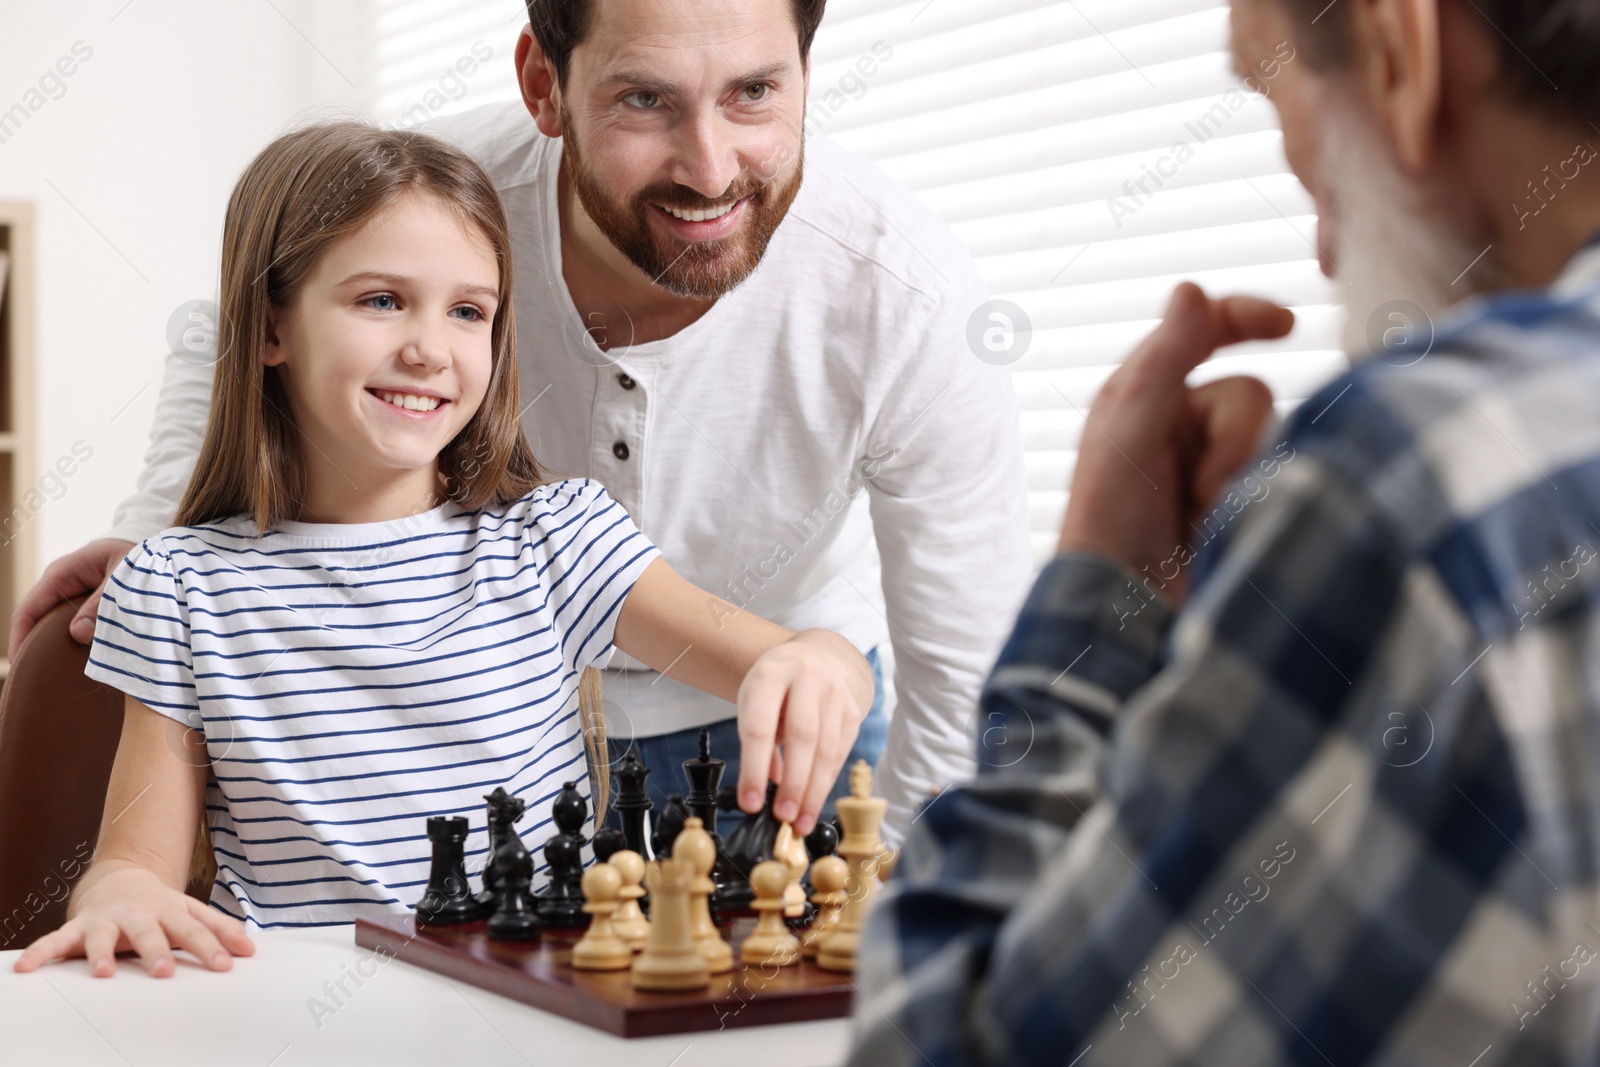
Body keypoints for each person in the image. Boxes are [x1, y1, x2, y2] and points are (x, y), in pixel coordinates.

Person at [8, 0, 1031, 846]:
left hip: (780, 730)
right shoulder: (435, 207)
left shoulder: (905, 289)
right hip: (498, 728)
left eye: (754, 93)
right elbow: (230, 322)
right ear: (544, 85)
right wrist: (163, 539)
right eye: (644, 99)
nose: (712, 169)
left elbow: (965, 672)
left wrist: (916, 909)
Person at [850, 0, 1600, 1063]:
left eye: (1270, 89)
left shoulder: (1408, 483)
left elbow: (926, 1050)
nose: (1324, 244)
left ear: (1398, 52)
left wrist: (1101, 598)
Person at [10, 122, 873, 978]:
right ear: (270, 328)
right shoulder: (177, 586)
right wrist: (121, 898)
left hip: (525, 1019)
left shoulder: (557, 538)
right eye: (381, 300)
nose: (428, 349)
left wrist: (828, 660)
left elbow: (787, 661)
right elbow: (131, 863)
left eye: (469, 311)